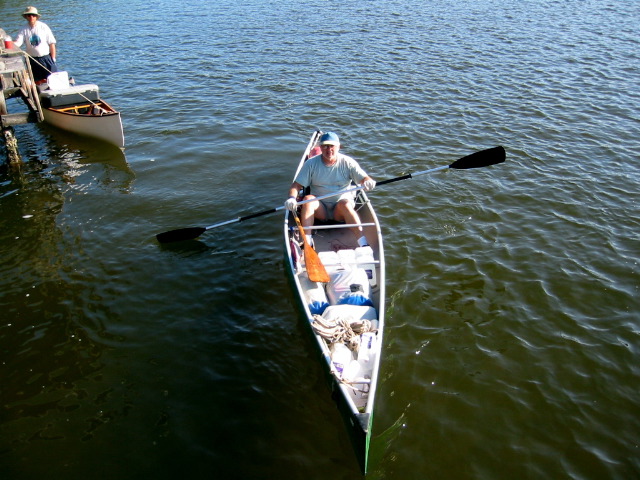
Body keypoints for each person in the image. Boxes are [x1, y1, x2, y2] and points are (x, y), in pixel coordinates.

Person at [285, 132, 376, 247]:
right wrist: (292, 198)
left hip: (340, 211)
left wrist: (368, 182)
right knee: (308, 199)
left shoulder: (348, 162)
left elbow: (364, 178)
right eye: (325, 146)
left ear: (338, 147)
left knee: (345, 204)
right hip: (320, 210)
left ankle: (362, 243)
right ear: (320, 147)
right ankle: (307, 242)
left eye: (332, 146)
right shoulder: (311, 164)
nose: (329, 150)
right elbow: (296, 186)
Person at [13, 6, 57, 83]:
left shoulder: (43, 27)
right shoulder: (23, 29)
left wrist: (53, 59)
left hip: (46, 58)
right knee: (37, 81)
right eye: (29, 15)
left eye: (33, 15)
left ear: (36, 17)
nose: (31, 17)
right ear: (26, 17)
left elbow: (52, 43)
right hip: (32, 59)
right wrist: (8, 43)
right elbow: (18, 43)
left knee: (53, 79)